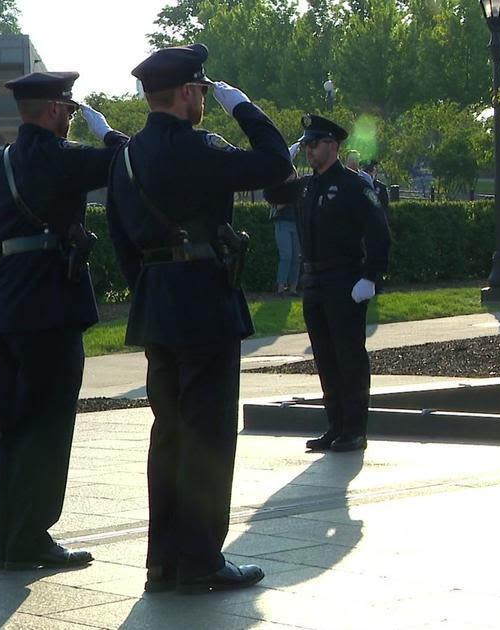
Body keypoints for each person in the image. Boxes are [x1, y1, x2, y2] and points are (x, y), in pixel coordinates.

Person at [105, 43, 290, 594]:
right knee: (207, 435)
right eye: (204, 93)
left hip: (157, 304)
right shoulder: (200, 147)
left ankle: (162, 560)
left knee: (168, 435)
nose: (206, 101)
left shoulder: (127, 156)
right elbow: (277, 164)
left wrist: (149, 288)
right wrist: (246, 107)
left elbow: (120, 238)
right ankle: (202, 559)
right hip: (204, 304)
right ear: (187, 92)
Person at [0, 71, 128, 571]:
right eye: (72, 112)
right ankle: (32, 538)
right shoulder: (63, 157)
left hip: (6, 310)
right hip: (49, 308)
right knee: (48, 426)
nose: (72, 120)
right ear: (55, 109)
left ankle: (9, 538)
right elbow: (131, 161)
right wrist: (109, 132)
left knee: (13, 427)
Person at [266, 115, 391, 453]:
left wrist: (370, 276)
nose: (309, 150)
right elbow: (273, 191)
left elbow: (379, 233)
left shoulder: (354, 186)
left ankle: (355, 429)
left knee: (348, 357)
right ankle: (335, 425)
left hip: (345, 279)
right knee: (324, 357)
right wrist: (283, 157)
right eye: (306, 144)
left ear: (333, 146)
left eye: (314, 144)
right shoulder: (307, 186)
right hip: (315, 280)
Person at [271, 172, 301, 296]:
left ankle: (293, 289)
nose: (291, 176)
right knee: (286, 256)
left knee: (296, 258)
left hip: (296, 224)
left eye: (293, 174)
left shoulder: (299, 189)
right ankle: (281, 288)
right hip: (282, 223)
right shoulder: (279, 190)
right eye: (289, 174)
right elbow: (277, 207)